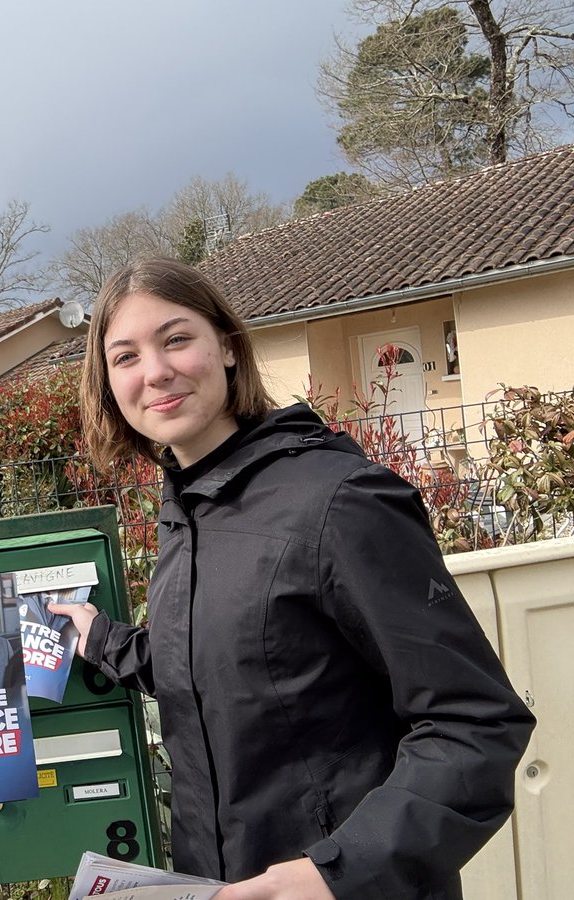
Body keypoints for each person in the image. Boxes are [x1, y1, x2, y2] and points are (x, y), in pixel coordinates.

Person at [49, 257, 534, 900]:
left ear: (225, 345)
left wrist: (338, 871)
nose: (156, 371)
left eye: (175, 339)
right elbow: (223, 663)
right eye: (125, 356)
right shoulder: (186, 512)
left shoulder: (340, 501)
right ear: (108, 384)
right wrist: (103, 641)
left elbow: (475, 724)